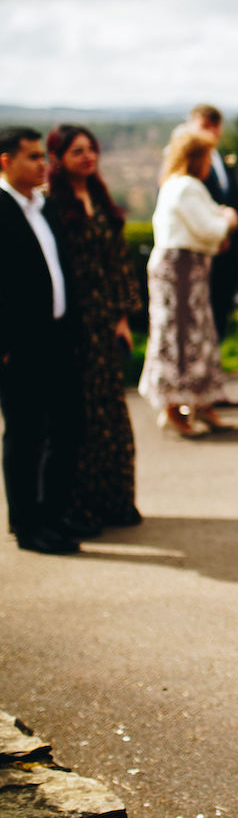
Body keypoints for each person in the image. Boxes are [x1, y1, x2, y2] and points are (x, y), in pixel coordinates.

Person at [46, 125, 142, 535]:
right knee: (79, 417)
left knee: (111, 415)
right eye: (77, 151)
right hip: (73, 322)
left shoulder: (100, 199)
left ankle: (114, 501)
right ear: (59, 158)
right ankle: (80, 505)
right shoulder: (52, 205)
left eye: (91, 150)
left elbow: (118, 262)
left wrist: (123, 317)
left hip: (106, 321)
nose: (87, 157)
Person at [0, 126, 83, 554]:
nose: (42, 164)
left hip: (57, 336)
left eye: (41, 156)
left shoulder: (44, 206)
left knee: (66, 429)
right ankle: (27, 526)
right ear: (5, 161)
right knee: (25, 435)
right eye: (32, 157)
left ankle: (54, 515)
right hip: (19, 346)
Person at [139, 130, 238, 438]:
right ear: (196, 157)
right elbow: (209, 228)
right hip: (179, 270)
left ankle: (202, 403)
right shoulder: (185, 187)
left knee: (199, 335)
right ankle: (173, 407)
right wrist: (229, 219)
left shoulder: (178, 185)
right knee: (180, 339)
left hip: (189, 268)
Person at [186, 104, 238, 349]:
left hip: (228, 250)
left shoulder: (223, 157)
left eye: (215, 126)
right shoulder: (183, 163)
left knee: (221, 311)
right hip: (201, 251)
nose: (211, 132)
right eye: (204, 126)